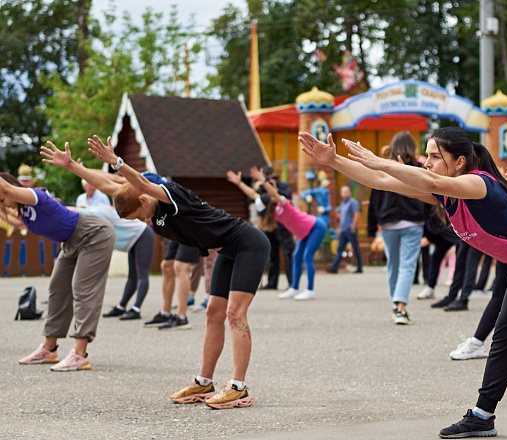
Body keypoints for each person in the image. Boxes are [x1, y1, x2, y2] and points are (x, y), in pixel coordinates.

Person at [299, 127, 507, 440]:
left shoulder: (479, 183)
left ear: (459, 163)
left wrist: (379, 161)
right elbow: (381, 183)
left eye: (434, 156)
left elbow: (429, 181)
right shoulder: (446, 193)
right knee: (505, 336)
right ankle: (483, 415)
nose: (426, 162)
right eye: (425, 155)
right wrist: (334, 161)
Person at [88, 135, 270, 409]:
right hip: (227, 250)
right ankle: (204, 381)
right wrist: (73, 166)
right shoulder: (145, 205)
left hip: (249, 244)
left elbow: (143, 183)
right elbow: (109, 185)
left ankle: (238, 387)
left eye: (140, 214)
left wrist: (116, 161)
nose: (143, 220)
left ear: (144, 198)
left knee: (235, 313)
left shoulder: (171, 194)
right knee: (213, 313)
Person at [14, 141, 116, 371]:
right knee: (58, 288)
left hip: (94, 233)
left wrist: (69, 164)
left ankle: (80, 354)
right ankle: (49, 349)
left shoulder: (34, 196)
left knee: (83, 289)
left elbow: (8, 190)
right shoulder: (21, 213)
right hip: (71, 241)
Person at [228, 167, 327, 301]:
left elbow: (274, 194)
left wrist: (264, 181)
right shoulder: (275, 210)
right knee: (297, 256)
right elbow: (253, 195)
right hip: (305, 232)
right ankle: (294, 288)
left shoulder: (283, 204)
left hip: (316, 227)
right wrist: (239, 184)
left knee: (307, 257)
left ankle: (310, 290)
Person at [366, 131, 426, 325]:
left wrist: (371, 227)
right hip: (413, 222)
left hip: (388, 223)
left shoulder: (384, 167)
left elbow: (374, 199)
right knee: (408, 265)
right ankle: (400, 307)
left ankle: (396, 305)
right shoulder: (418, 168)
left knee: (393, 264)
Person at [74, 204, 156, 321]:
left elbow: (77, 211)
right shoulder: (100, 209)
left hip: (143, 235)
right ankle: (121, 307)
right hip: (135, 238)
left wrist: (57, 206)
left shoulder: (99, 212)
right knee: (132, 276)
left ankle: (136, 309)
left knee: (142, 274)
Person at [259, 166, 294, 290]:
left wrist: (275, 189)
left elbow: (287, 198)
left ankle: (292, 283)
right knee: (272, 254)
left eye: (270, 174)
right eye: (266, 175)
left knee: (288, 253)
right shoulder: (262, 187)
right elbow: (258, 200)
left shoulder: (282, 185)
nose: (268, 177)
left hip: (284, 225)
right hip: (270, 225)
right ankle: (272, 283)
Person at [327, 185, 363, 274]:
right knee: (340, 249)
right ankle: (334, 267)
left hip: (350, 229)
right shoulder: (342, 203)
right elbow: (341, 217)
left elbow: (356, 214)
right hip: (343, 230)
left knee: (355, 248)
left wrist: (353, 226)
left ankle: (359, 267)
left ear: (349, 193)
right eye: (343, 192)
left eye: (346, 192)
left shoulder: (353, 202)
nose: (344, 194)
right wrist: (339, 228)